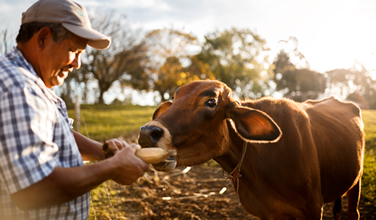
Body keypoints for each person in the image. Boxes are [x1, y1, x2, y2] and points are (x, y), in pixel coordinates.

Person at [0, 0, 149, 219]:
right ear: (42, 38)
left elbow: (55, 137)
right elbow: (33, 189)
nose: (77, 63)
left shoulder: (32, 83)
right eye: (73, 50)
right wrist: (111, 168)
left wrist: (104, 153)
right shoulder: (17, 87)